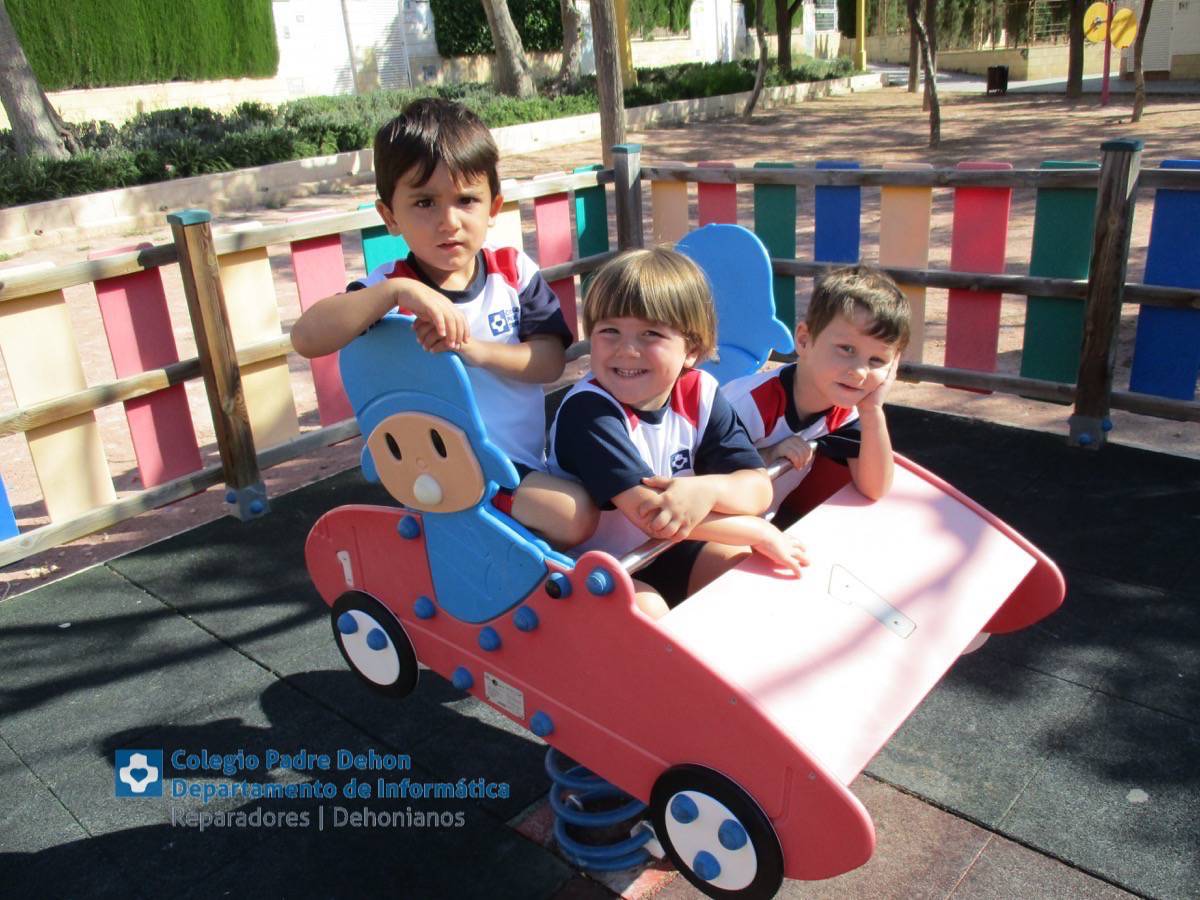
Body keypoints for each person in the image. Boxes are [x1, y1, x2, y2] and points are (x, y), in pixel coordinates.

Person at [291, 97, 596, 547]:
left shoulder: (512, 272)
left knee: (600, 493)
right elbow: (306, 337)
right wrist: (399, 293)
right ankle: (488, 528)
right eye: (425, 202)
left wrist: (473, 350)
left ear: (493, 207)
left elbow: (550, 362)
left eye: (466, 200)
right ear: (390, 216)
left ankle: (503, 539)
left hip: (518, 463)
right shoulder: (390, 288)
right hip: (442, 472)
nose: (447, 221)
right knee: (575, 516)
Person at [548, 248, 809, 619]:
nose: (626, 349)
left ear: (692, 349)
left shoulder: (699, 393)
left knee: (743, 570)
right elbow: (651, 515)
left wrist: (708, 488)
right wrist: (758, 531)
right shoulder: (589, 412)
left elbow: (758, 487)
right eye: (609, 331)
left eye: (650, 333)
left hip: (668, 546)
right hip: (595, 564)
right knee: (649, 610)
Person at [722, 265, 910, 505]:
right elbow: (697, 479)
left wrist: (872, 410)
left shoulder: (844, 410)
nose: (860, 372)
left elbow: (875, 488)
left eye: (877, 360)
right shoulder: (748, 405)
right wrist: (768, 455)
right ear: (804, 340)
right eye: (847, 349)